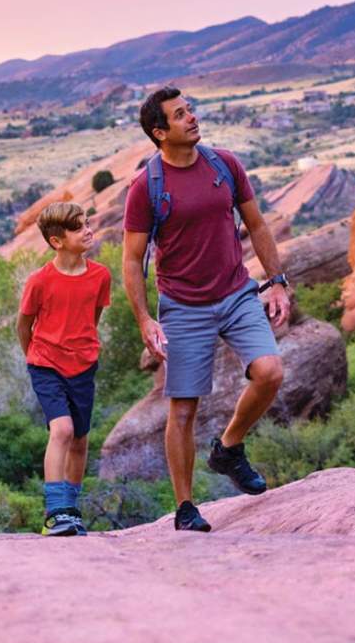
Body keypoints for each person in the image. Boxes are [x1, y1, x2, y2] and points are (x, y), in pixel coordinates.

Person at [122, 87, 290, 533]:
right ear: (160, 132)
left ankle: (229, 447)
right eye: (180, 115)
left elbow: (255, 224)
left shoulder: (224, 164)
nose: (192, 118)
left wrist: (276, 283)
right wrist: (144, 317)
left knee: (270, 371)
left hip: (236, 293)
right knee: (182, 410)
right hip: (183, 305)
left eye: (190, 110)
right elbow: (130, 259)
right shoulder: (147, 186)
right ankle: (185, 508)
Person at [17, 202, 111, 537]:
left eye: (88, 223)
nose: (89, 230)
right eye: (79, 227)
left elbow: (92, 318)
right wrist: (36, 358)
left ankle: (71, 510)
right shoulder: (40, 281)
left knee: (81, 439)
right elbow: (23, 325)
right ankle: (55, 513)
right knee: (62, 431)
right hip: (45, 364)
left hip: (83, 365)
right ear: (57, 241)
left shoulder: (100, 275)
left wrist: (82, 348)